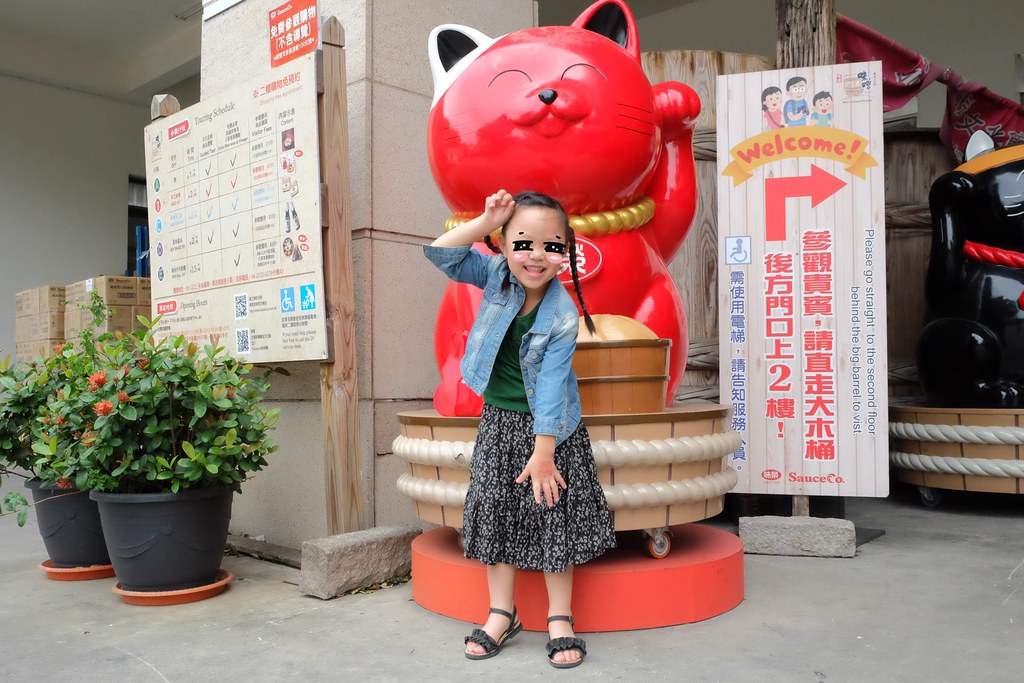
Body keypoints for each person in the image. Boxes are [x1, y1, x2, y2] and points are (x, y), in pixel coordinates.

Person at [423, 189, 616, 669]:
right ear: (503, 244)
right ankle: (500, 613)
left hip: (552, 430)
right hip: (499, 421)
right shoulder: (493, 275)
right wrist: (486, 218)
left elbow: (552, 386)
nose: (537, 256)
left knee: (554, 516)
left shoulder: (562, 316)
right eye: (524, 242)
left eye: (553, 246)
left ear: (566, 252)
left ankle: (559, 618)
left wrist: (544, 451)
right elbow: (442, 254)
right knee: (495, 512)